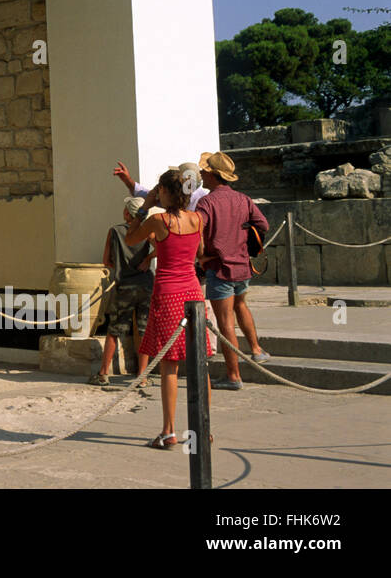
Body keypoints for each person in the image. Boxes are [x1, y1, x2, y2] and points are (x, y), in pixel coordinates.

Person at [125, 169, 213, 449]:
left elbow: (130, 239)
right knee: (199, 362)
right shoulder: (197, 219)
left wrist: (145, 207)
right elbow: (199, 253)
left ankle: (169, 431)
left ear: (164, 191)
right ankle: (204, 428)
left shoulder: (158, 220)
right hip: (193, 291)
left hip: (167, 293)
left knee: (169, 365)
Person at [196, 151, 271, 390]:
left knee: (225, 321)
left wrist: (201, 256)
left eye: (204, 170)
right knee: (241, 305)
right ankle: (256, 349)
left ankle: (233, 375)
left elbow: (196, 229)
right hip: (242, 265)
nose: (201, 173)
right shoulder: (243, 199)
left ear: (212, 174)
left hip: (220, 268)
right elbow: (263, 225)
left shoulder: (206, 202)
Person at [88, 196, 154, 389]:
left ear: (127, 213)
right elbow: (163, 248)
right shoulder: (147, 231)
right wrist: (148, 259)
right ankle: (142, 376)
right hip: (145, 285)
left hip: (124, 285)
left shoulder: (115, 231)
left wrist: (120, 267)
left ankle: (103, 373)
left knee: (114, 330)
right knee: (143, 330)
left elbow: (106, 260)